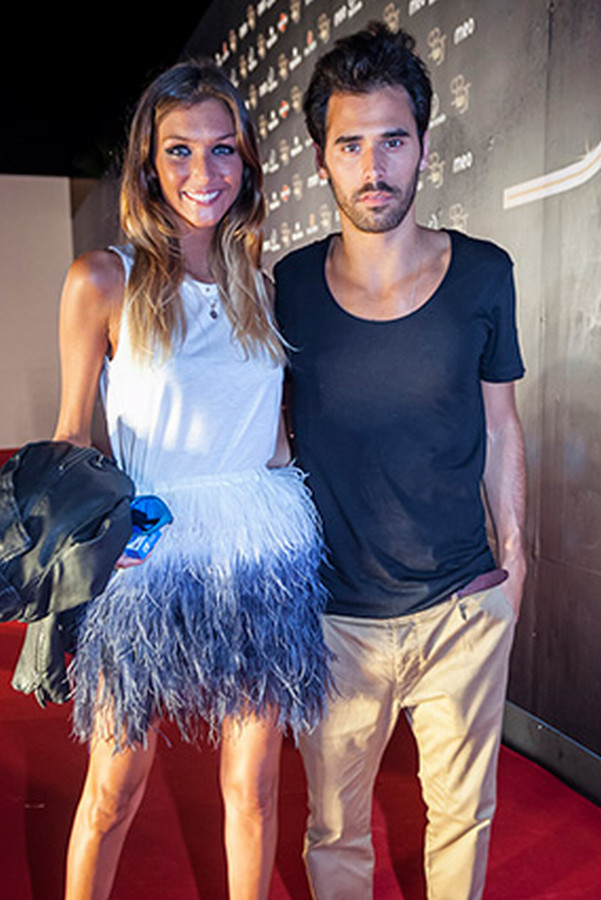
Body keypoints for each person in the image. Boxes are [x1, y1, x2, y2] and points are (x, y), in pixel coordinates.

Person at [53, 60, 331, 900]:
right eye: (179, 150)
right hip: (145, 552)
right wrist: (79, 561)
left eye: (222, 150)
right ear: (148, 162)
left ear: (246, 162)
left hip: (260, 550)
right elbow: (71, 438)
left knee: (253, 787)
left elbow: (273, 437)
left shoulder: (262, 288)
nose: (202, 172)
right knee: (113, 789)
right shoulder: (103, 279)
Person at [274, 22, 527, 900]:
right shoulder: (286, 289)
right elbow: (267, 442)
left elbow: (500, 426)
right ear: (321, 159)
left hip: (460, 609)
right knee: (333, 830)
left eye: (392, 139)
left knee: (461, 817)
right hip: (332, 623)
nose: (373, 165)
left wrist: (515, 560)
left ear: (422, 146)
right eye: (350, 144)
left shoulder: (484, 274)